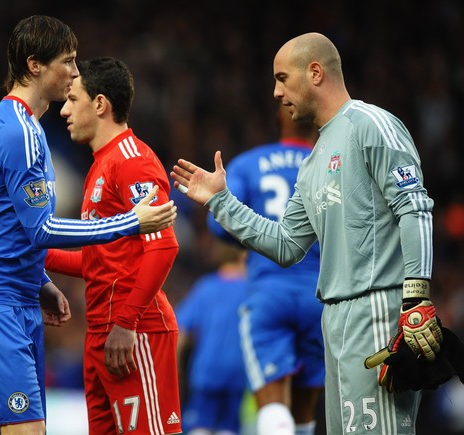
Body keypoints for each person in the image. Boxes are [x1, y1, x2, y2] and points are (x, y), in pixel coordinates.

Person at [170, 32, 442, 435]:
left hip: (377, 311)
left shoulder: (371, 124)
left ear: (315, 73)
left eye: (282, 78)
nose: (276, 92)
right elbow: (286, 245)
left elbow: (414, 207)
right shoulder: (312, 163)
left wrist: (416, 298)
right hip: (333, 320)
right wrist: (220, 201)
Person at [0, 18, 176, 435]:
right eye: (67, 61)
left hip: (17, 303)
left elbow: (8, 228)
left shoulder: (30, 131)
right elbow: (40, 230)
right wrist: (130, 222)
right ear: (35, 65)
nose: (73, 71)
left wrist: (40, 278)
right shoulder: (20, 131)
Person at [46, 56, 182, 434]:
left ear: (100, 104)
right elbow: (99, 262)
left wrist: (126, 322)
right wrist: (34, 255)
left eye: (73, 99)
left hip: (136, 332)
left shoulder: (132, 162)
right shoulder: (100, 165)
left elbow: (164, 246)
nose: (64, 110)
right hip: (102, 334)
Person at [206, 105, 324, 435]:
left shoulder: (249, 163)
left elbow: (218, 226)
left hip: (269, 292)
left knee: (273, 408)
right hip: (320, 297)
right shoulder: (332, 164)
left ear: (278, 119)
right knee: (304, 414)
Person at [175, 238, 247, 435]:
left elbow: (180, 330)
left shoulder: (206, 287)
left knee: (199, 427)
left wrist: (176, 370)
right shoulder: (251, 289)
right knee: (229, 429)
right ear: (243, 256)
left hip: (207, 372)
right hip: (238, 373)